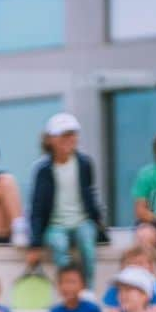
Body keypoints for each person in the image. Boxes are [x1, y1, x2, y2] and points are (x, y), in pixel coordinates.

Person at [28, 113, 105, 290]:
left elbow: (90, 195)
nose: (69, 140)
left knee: (87, 244)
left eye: (72, 135)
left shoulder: (85, 164)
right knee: (59, 246)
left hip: (82, 222)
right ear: (51, 140)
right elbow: (37, 208)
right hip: (55, 225)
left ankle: (88, 291)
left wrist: (98, 221)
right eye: (63, 135)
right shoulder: (42, 170)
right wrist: (35, 244)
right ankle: (68, 288)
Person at [101, 245, 156, 312]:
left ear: (152, 267)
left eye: (140, 263)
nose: (135, 268)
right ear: (122, 268)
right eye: (130, 264)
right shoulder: (114, 290)